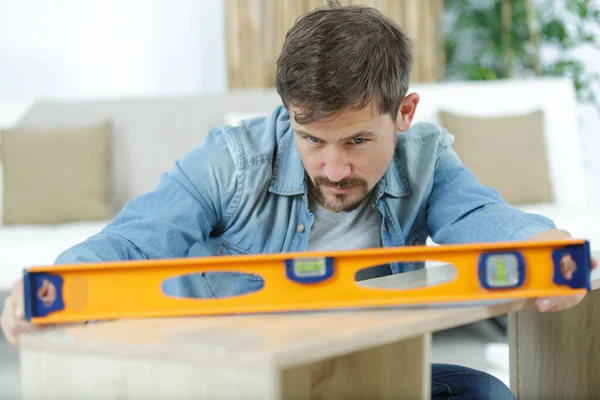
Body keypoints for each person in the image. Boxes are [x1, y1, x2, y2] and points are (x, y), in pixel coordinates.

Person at [1, 1, 597, 398]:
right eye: (311, 139)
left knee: (484, 393)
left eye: (358, 141)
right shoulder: (231, 161)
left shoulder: (427, 157)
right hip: (243, 380)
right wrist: (60, 283)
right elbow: (136, 238)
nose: (333, 168)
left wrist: (541, 247)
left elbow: (480, 216)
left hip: (364, 375)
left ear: (405, 114)